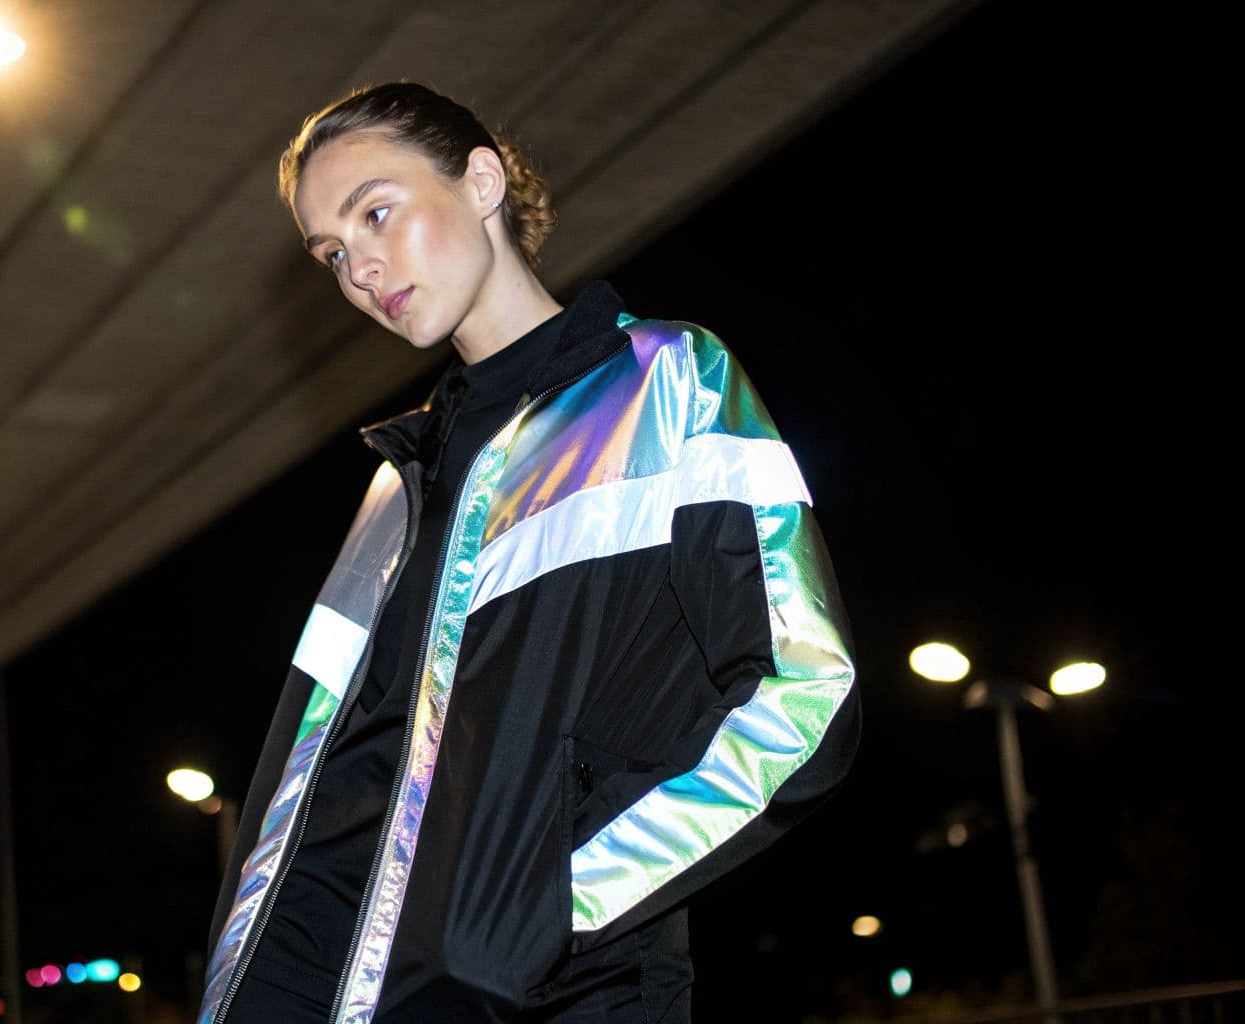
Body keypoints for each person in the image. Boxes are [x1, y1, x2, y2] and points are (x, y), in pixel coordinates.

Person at [199, 80, 861, 1024]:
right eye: (334, 254)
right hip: (317, 984)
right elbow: (318, 778)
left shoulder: (667, 384)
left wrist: (546, 906)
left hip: (552, 995)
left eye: (377, 213)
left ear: (479, 181)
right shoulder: (397, 482)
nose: (361, 270)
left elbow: (809, 694)